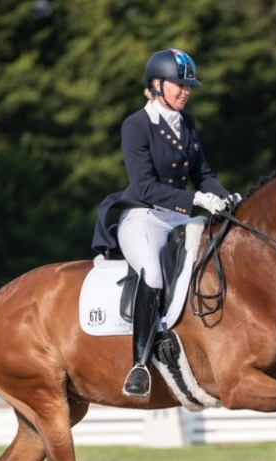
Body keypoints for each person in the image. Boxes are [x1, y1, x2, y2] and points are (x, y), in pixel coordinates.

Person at [92, 48, 240, 397]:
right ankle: (140, 365)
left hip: (178, 217)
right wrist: (195, 200)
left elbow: (203, 174)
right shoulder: (136, 125)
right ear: (156, 85)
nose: (185, 91)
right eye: (179, 85)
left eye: (188, 86)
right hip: (144, 216)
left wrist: (227, 199)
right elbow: (143, 185)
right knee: (154, 274)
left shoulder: (187, 123)